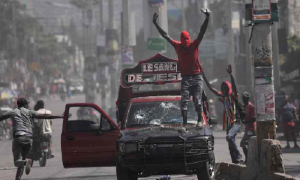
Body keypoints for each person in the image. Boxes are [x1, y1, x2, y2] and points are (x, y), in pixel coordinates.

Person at [152, 9, 210, 130]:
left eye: (187, 42)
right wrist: (155, 24)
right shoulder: (177, 45)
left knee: (197, 101)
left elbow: (202, 31)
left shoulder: (194, 44)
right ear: (181, 41)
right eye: (184, 43)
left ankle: (199, 120)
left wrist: (207, 17)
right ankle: (184, 125)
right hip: (185, 78)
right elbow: (165, 35)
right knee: (184, 102)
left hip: (197, 76)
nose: (186, 45)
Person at [0, 98, 63, 180]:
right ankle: (18, 177)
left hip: (18, 138)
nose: (29, 105)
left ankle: (26, 162)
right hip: (29, 139)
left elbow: (1, 117)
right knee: (22, 160)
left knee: (17, 162)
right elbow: (45, 116)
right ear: (25, 105)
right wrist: (60, 116)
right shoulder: (30, 112)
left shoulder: (13, 112)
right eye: (27, 104)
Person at [202, 64, 243, 164]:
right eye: (223, 87)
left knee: (229, 137)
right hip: (229, 124)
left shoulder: (233, 96)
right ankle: (235, 161)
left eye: (226, 87)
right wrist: (202, 75)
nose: (224, 89)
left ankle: (238, 155)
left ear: (228, 88)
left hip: (236, 122)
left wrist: (231, 75)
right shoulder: (223, 97)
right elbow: (211, 88)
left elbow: (235, 88)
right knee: (230, 142)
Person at [240, 92, 256, 163]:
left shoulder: (251, 107)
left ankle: (249, 160)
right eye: (243, 98)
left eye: (245, 98)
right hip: (247, 128)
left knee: (244, 143)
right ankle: (249, 159)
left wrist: (246, 122)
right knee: (245, 144)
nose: (244, 100)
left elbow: (254, 118)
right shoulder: (244, 106)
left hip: (251, 128)